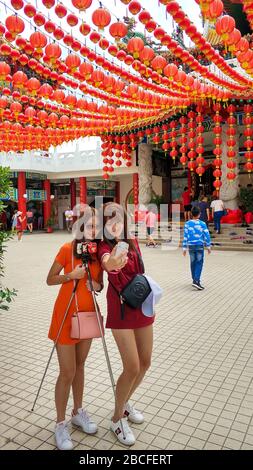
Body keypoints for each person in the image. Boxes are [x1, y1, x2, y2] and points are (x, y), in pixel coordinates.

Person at [47, 208, 110, 450]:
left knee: (80, 366)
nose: (93, 231)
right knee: (67, 372)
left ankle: (78, 412)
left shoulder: (96, 255)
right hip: (65, 316)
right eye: (89, 226)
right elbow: (50, 278)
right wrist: (70, 275)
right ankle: (60, 423)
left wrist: (93, 283)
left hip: (87, 316)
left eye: (97, 227)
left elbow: (100, 286)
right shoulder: (66, 249)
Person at [98, 202, 155, 446]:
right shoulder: (103, 246)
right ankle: (116, 418)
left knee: (145, 362)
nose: (114, 224)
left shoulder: (132, 241)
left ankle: (125, 402)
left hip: (141, 303)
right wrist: (112, 261)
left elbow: (140, 269)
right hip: (120, 308)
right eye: (109, 220)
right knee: (131, 366)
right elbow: (107, 263)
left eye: (118, 219)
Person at [183, 206, 211, 290]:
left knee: (193, 262)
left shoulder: (187, 224)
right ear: (199, 214)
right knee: (199, 262)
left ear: (191, 214)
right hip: (199, 245)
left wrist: (184, 248)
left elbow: (185, 236)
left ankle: (194, 279)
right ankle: (196, 280)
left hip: (191, 246)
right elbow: (207, 235)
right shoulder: (203, 224)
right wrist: (208, 246)